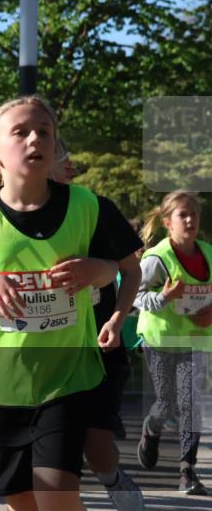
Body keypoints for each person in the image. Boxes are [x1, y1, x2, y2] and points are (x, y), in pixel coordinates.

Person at [0, 96, 141, 511]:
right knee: (22, 501)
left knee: (55, 492)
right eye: (20, 131)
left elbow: (128, 269)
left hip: (66, 378)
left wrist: (104, 280)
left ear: (55, 146)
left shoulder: (89, 207)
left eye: (45, 132)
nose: (35, 138)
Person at [48, 140, 145, 511]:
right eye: (62, 156)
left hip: (99, 345)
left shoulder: (96, 208)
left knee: (98, 449)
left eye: (62, 153)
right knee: (50, 463)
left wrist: (118, 318)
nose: (69, 162)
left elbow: (130, 271)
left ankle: (112, 477)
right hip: (42, 350)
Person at [135, 190, 211, 496]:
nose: (190, 219)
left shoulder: (208, 253)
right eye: (183, 215)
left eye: (194, 214)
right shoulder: (157, 259)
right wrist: (164, 297)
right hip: (161, 340)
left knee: (191, 404)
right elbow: (135, 296)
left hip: (196, 342)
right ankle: (151, 429)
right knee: (166, 403)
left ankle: (187, 472)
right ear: (168, 222)